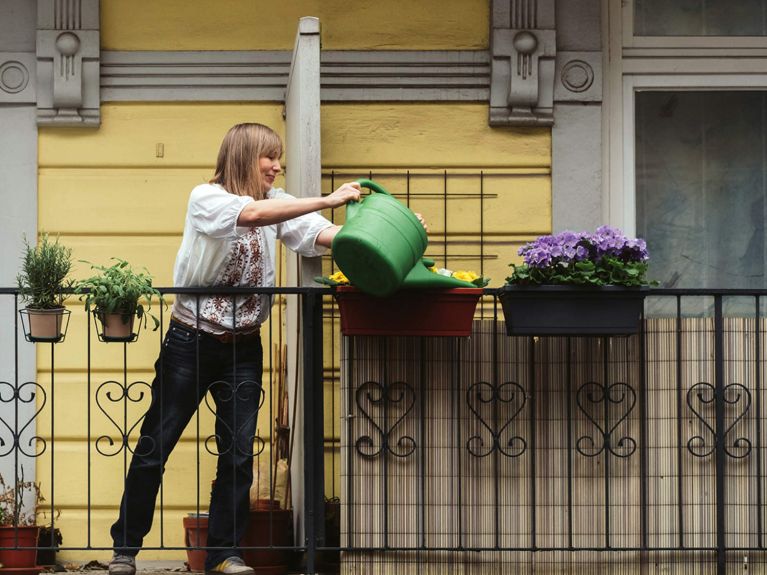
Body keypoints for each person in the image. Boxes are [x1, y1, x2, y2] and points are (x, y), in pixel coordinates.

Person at [107, 123, 363, 575]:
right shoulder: (206, 198)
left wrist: (386, 232)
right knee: (155, 445)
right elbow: (249, 216)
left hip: (244, 346)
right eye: (270, 157)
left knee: (239, 453)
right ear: (245, 156)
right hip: (191, 341)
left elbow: (322, 235)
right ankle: (125, 550)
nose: (277, 165)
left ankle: (223, 554)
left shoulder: (278, 202)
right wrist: (327, 198)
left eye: (279, 157)